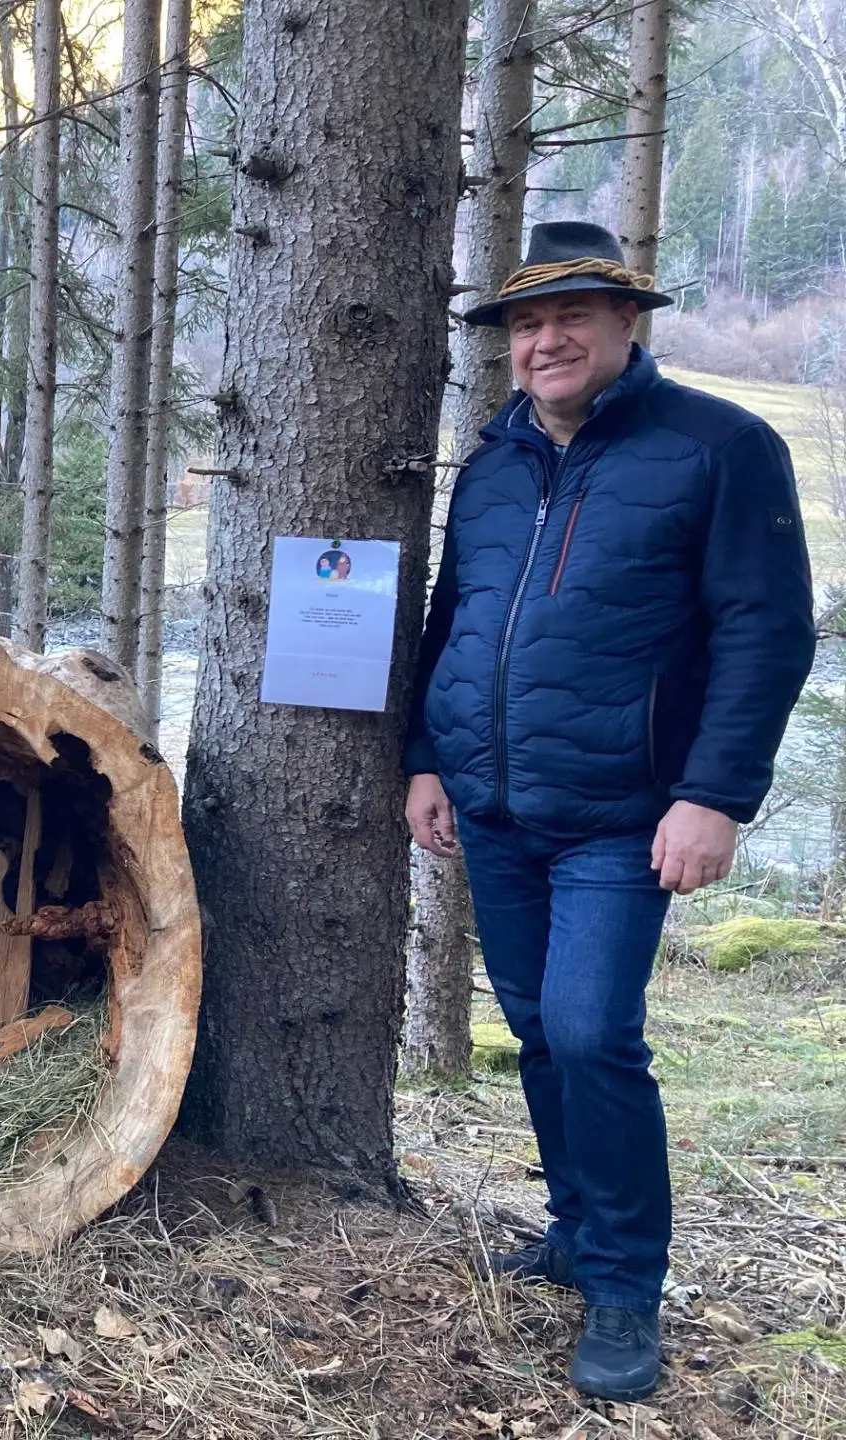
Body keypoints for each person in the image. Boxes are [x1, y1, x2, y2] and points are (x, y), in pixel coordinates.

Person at [404, 220, 816, 1402]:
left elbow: (765, 630)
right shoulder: (490, 466)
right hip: (494, 806)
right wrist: (427, 757)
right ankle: (576, 1231)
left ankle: (629, 1287)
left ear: (627, 323)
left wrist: (713, 796)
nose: (546, 339)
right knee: (538, 1030)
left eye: (571, 316)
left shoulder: (718, 447)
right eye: (527, 323)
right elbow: (457, 618)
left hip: (625, 819)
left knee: (591, 1033)